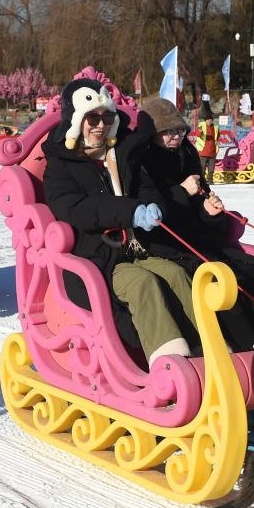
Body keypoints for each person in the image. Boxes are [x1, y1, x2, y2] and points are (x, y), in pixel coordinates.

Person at [42, 80, 198, 365]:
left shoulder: (120, 154)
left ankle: (205, 350)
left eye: (107, 117)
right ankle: (170, 365)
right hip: (97, 258)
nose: (100, 125)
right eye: (92, 118)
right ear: (77, 121)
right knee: (142, 283)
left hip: (137, 248)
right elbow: (78, 209)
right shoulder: (61, 166)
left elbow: (144, 185)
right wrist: (130, 210)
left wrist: (152, 205)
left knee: (175, 274)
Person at [121, 97, 254, 352]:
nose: (176, 137)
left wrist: (210, 211)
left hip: (200, 239)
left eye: (179, 130)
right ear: (153, 134)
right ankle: (246, 350)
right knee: (225, 288)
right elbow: (152, 214)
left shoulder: (186, 154)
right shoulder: (142, 163)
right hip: (166, 246)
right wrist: (181, 192)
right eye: (168, 132)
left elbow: (200, 205)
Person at [195, 105, 218, 184]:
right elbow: (198, 134)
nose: (210, 121)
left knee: (211, 168)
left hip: (213, 151)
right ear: (205, 120)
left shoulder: (215, 127)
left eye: (211, 120)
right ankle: (202, 181)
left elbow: (217, 137)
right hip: (203, 151)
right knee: (202, 168)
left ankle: (210, 180)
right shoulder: (202, 126)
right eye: (208, 120)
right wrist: (200, 132)